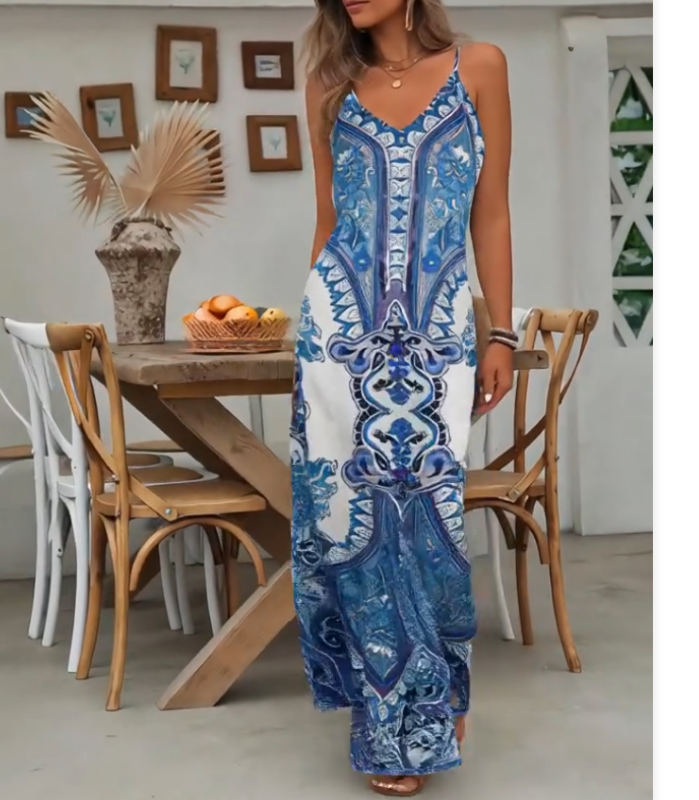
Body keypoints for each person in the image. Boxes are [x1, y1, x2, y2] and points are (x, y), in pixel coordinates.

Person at [291, 0, 515, 795]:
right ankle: (389, 717)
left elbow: (491, 212)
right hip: (339, 334)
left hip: (438, 336)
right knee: (349, 522)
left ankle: (439, 691)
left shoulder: (477, 67)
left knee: (430, 514)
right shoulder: (328, 82)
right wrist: (311, 335)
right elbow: (327, 220)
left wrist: (500, 332)